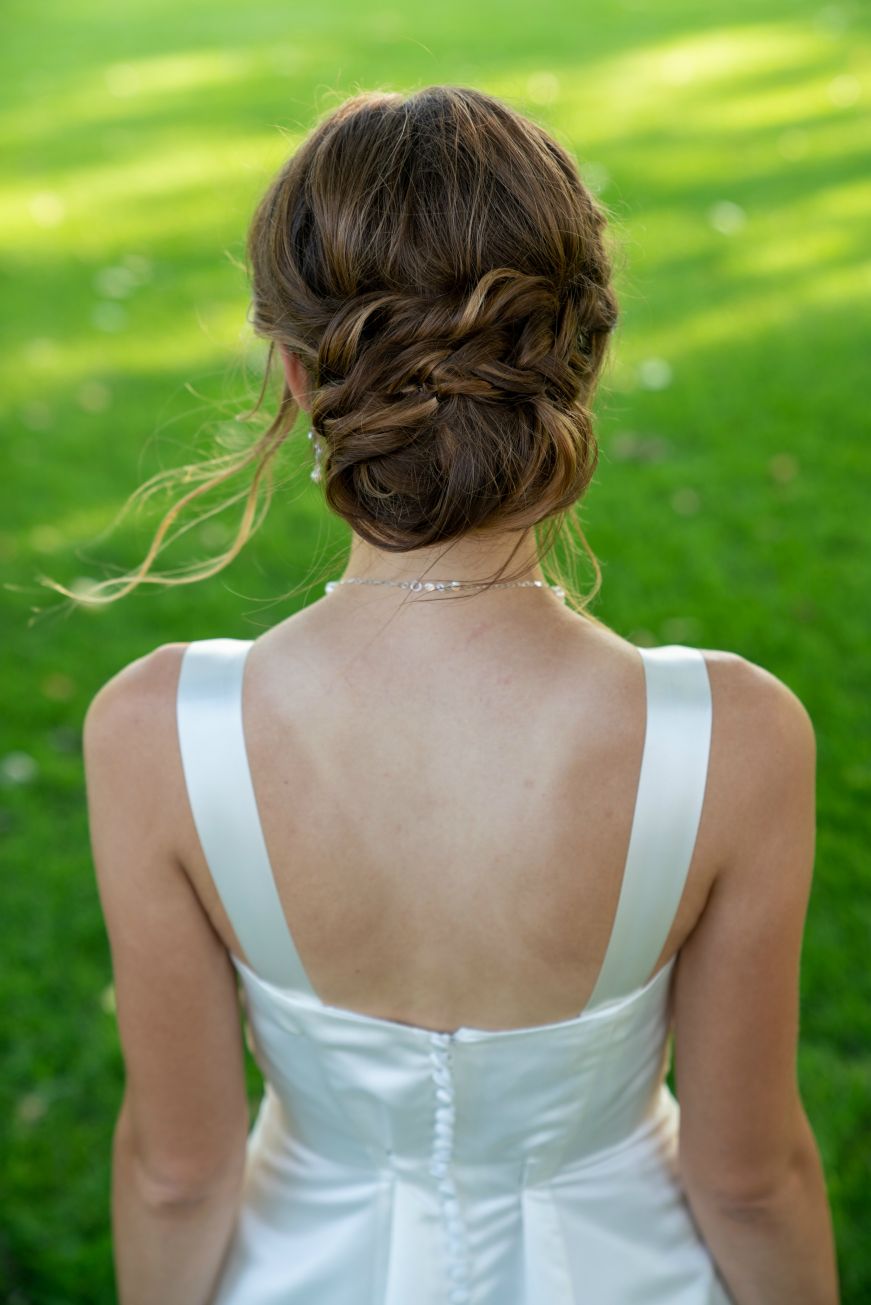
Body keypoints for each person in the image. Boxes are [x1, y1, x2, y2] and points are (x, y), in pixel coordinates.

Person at [79, 85, 839, 1304]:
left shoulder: (156, 732)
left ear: (289, 371)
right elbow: (749, 1179)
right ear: (581, 359)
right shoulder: (732, 738)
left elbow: (176, 1173)